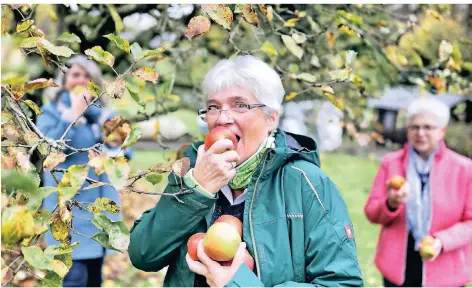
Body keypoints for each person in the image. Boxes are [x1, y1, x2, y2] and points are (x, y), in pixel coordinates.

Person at [128, 55, 364, 287]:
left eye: (240, 105)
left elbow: (342, 283)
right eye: (213, 107)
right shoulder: (191, 173)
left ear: (271, 118)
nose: (222, 119)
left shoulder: (306, 182)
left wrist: (237, 284)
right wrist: (196, 190)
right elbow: (143, 255)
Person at [37, 55, 133, 287]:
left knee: (93, 278)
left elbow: (123, 154)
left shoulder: (104, 116)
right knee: (73, 276)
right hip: (68, 210)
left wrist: (104, 131)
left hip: (98, 210)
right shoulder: (50, 113)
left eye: (87, 75)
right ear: (64, 79)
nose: (81, 80)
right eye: (76, 75)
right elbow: (48, 150)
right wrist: (73, 115)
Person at [364, 98, 472, 287]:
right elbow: (372, 212)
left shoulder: (464, 169)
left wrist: (442, 241)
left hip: (445, 267)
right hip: (398, 265)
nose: (420, 133)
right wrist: (391, 204)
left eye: (428, 127)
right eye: (414, 127)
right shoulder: (391, 163)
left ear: (442, 131)